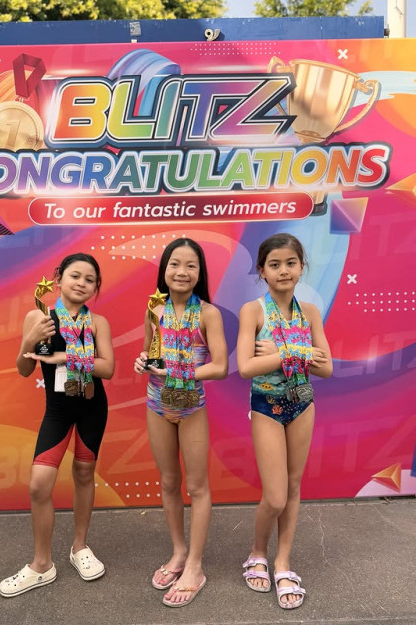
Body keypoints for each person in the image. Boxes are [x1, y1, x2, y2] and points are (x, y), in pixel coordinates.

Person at [0, 253, 114, 597]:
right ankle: (42, 565)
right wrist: (29, 340)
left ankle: (80, 547)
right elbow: (24, 369)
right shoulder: (38, 316)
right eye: (75, 275)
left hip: (93, 407)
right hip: (58, 411)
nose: (81, 283)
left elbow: (107, 368)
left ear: (95, 287)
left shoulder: (98, 323)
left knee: (84, 473)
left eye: (90, 279)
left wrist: (65, 356)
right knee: (39, 484)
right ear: (58, 279)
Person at [236, 233, 332, 610]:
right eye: (274, 264)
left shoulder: (310, 312)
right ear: (262, 270)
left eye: (291, 263)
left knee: (293, 487)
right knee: (274, 495)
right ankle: (258, 551)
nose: (283, 270)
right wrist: (298, 353)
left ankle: (282, 563)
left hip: (303, 403)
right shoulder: (253, 311)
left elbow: (327, 367)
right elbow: (247, 366)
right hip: (266, 406)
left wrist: (282, 351)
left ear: (301, 267)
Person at [134, 237, 228, 608]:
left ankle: (195, 567)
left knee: (197, 486)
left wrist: (178, 371)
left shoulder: (208, 313)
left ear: (200, 273)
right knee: (169, 482)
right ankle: (178, 552)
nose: (182, 272)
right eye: (175, 264)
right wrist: (143, 361)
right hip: (157, 404)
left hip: (192, 408)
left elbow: (220, 366)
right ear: (164, 269)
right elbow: (149, 352)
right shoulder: (153, 308)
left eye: (191, 265)